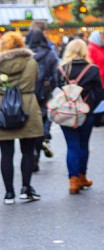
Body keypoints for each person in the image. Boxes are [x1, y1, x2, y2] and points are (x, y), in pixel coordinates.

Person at [0, 32, 44, 203]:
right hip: (27, 106)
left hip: (2, 107)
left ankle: (9, 193)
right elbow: (35, 81)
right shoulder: (31, 61)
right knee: (28, 151)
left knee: (6, 153)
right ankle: (26, 189)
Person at [57, 39, 104, 194]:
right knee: (83, 144)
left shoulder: (62, 69)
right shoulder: (92, 69)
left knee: (72, 145)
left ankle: (73, 180)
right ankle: (82, 176)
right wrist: (92, 108)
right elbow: (99, 94)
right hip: (86, 111)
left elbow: (55, 89)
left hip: (65, 113)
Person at [24, 29, 58, 166]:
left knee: (28, 126)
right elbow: (56, 76)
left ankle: (30, 153)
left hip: (28, 95)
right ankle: (37, 153)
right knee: (41, 126)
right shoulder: (50, 54)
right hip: (44, 95)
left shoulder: (25, 54)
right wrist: (49, 87)